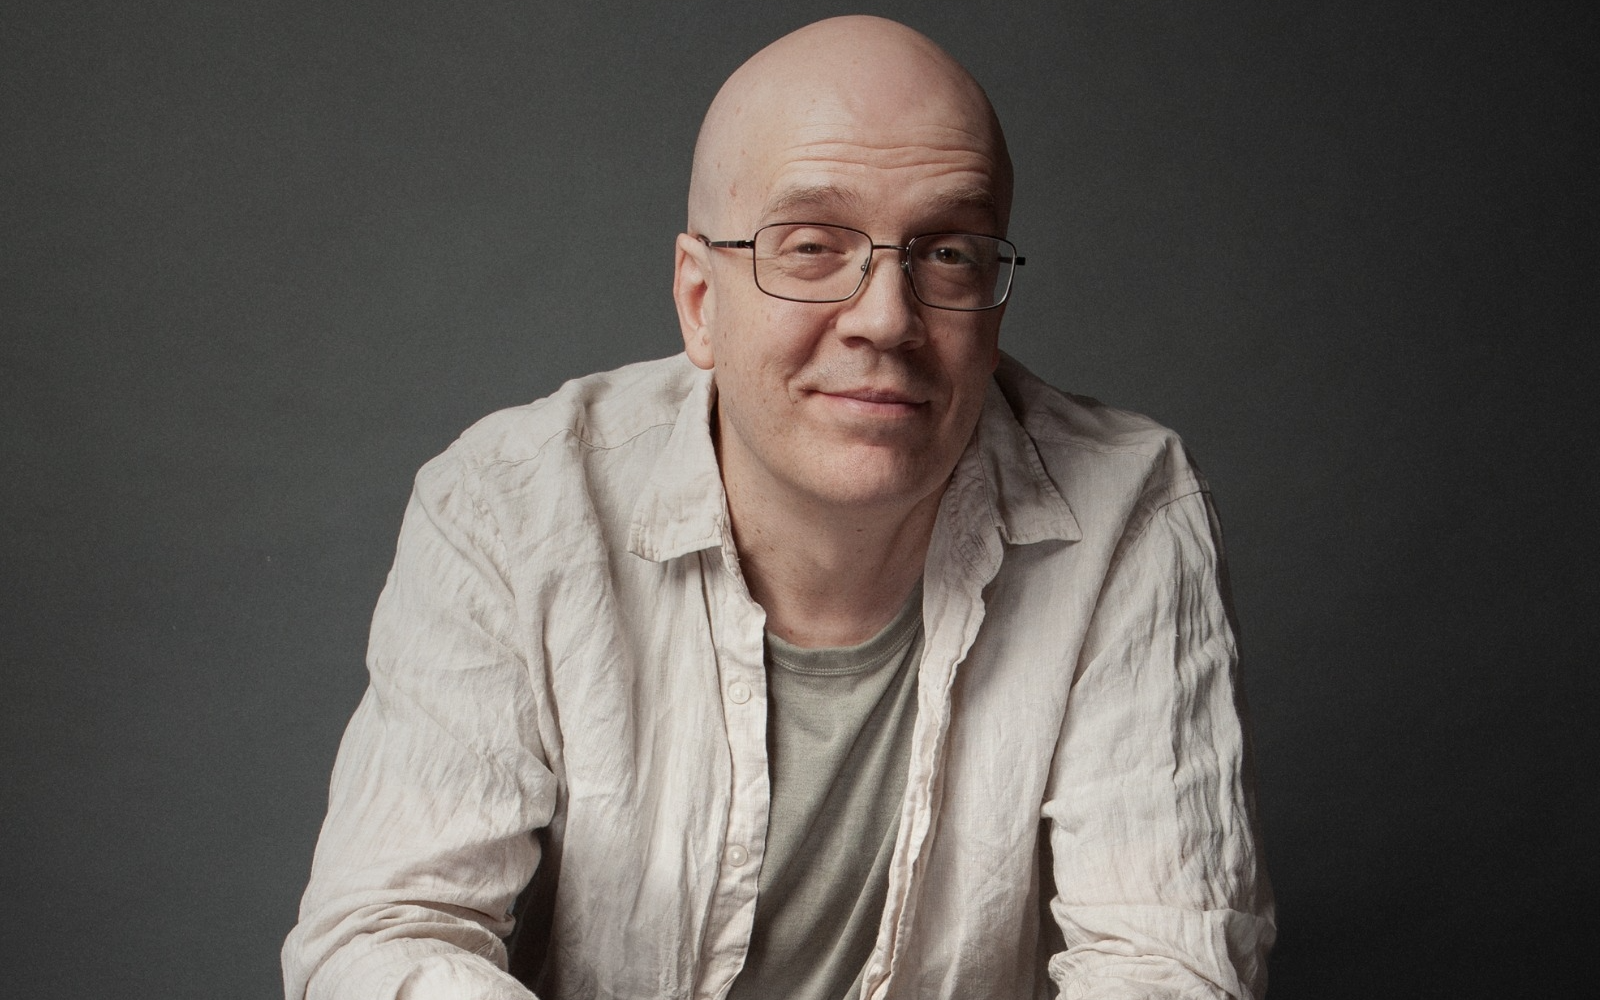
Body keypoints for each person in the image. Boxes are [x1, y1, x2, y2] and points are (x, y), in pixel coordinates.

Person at [282, 15, 1274, 1000]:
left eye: (949, 254)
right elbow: (382, 936)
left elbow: (1164, 969)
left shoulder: (1128, 514)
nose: (887, 317)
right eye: (810, 246)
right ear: (700, 301)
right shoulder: (510, 507)